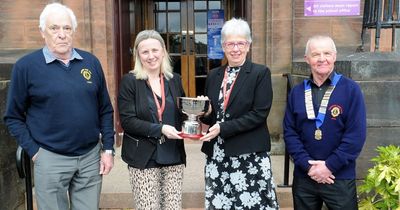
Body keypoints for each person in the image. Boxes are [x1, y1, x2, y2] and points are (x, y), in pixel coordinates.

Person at [3, 2, 115, 210]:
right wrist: (36, 152)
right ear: (42, 32)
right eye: (54, 28)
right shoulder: (26, 67)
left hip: (90, 158)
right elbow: (13, 117)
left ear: (73, 31)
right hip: (50, 157)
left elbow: (105, 110)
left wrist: (108, 149)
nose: (61, 34)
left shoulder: (91, 62)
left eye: (67, 28)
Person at [199, 18, 279, 209]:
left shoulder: (260, 73)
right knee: (221, 204)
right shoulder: (213, 75)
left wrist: (222, 127)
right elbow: (213, 117)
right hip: (218, 155)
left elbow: (259, 114)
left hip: (248, 154)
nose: (235, 48)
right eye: (230, 43)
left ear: (248, 45)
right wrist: (207, 111)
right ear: (223, 46)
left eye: (240, 43)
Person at [283, 35, 366, 210]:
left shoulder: (351, 90)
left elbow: (355, 136)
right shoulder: (297, 92)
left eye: (327, 53)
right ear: (307, 59)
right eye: (315, 54)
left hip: (339, 176)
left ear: (334, 56)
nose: (322, 59)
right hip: (305, 177)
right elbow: (290, 133)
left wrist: (329, 166)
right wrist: (308, 166)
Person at [117, 29, 186, 209]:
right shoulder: (130, 81)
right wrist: (161, 129)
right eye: (145, 51)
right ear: (138, 55)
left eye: (155, 50)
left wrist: (203, 111)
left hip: (173, 156)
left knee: (173, 207)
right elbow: (128, 121)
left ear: (163, 51)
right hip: (144, 158)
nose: (151, 56)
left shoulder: (174, 79)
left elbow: (183, 113)